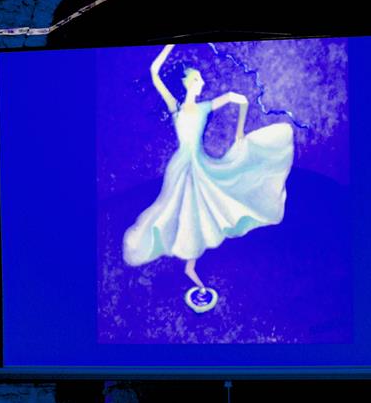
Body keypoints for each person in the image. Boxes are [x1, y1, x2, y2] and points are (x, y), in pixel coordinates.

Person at [122, 43, 294, 311]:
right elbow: (154, 72)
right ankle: (189, 265)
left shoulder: (204, 107)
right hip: (182, 167)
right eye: (196, 78)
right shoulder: (176, 108)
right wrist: (170, 43)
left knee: (200, 209)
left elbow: (239, 98)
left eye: (200, 78)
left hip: (199, 164)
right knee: (178, 210)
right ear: (186, 83)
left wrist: (240, 132)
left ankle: (190, 266)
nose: (201, 82)